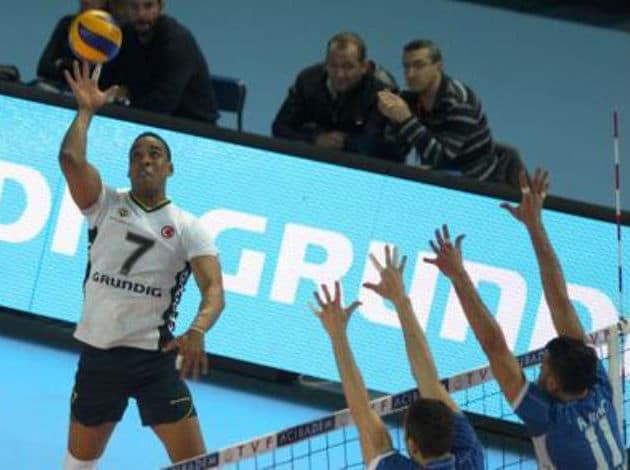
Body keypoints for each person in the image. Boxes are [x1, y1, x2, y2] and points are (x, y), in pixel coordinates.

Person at [60, 61, 225, 469]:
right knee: (79, 463)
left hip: (153, 359)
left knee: (196, 465)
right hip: (99, 355)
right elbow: (70, 160)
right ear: (129, 168)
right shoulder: (104, 204)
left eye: (155, 154)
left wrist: (198, 329)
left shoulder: (187, 227)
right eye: (137, 155)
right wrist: (86, 110)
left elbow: (214, 290)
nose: (145, 160)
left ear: (169, 168)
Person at [424, 169, 625, 468]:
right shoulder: (596, 383)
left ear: (553, 384)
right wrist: (534, 225)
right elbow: (560, 302)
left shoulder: (551, 417)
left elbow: (495, 347)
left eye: (542, 369)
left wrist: (458, 276)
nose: (538, 373)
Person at [310, 246, 483, 469]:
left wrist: (338, 335)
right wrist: (338, 335)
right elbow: (363, 412)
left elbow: (365, 412)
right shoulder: (470, 453)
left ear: (412, 446)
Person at [378, 39, 523, 187]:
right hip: (445, 176)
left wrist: (406, 120)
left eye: (419, 65)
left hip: (480, 184)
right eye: (406, 66)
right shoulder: (412, 98)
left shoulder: (460, 102)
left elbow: (442, 159)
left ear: (439, 66)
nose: (410, 74)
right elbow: (394, 152)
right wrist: (391, 120)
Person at [272, 32, 402, 162]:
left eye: (348, 67)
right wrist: (315, 139)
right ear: (326, 64)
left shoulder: (383, 91)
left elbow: (384, 148)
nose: (340, 74)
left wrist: (345, 142)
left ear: (364, 67)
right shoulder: (307, 81)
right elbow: (280, 128)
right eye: (333, 65)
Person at [101, 0, 218, 123]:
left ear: (161, 7)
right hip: (149, 120)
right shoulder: (125, 35)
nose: (141, 14)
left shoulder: (177, 41)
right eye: (134, 7)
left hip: (195, 126)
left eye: (148, 6)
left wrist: (127, 99)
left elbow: (163, 103)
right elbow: (105, 83)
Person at [37, 0, 111, 91]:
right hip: (52, 88)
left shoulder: (110, 35)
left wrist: (61, 64)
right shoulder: (66, 23)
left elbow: (101, 81)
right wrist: (70, 66)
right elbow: (43, 68)